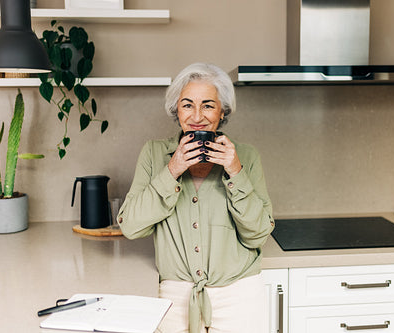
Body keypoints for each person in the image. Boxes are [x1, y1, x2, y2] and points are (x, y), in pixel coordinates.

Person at [117, 62, 275, 333]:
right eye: (188, 104)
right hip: (174, 298)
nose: (197, 116)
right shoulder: (154, 154)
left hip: (239, 297)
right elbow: (130, 226)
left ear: (222, 111)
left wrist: (235, 171)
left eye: (208, 105)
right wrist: (173, 169)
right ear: (176, 109)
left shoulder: (246, 157)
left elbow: (258, 235)